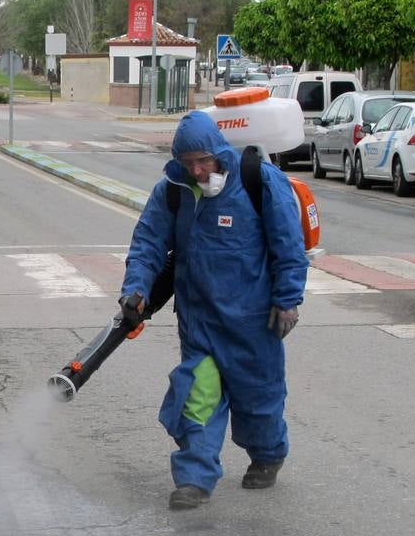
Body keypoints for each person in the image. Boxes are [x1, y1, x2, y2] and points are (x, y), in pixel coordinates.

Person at [120, 110, 308, 510]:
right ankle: (194, 478)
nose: (199, 171)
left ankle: (268, 454)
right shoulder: (173, 190)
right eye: (189, 164)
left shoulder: (259, 181)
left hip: (256, 322)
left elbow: (289, 246)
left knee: (259, 400)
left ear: (220, 152)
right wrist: (135, 290)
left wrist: (288, 299)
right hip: (201, 321)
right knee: (198, 397)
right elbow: (148, 244)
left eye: (204, 161)